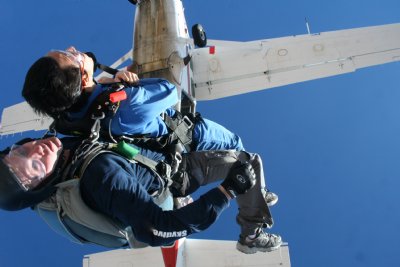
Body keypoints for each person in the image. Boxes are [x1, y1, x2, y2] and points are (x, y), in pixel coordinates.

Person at [0, 136, 282, 254]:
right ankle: (251, 233)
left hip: (167, 166)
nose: (37, 149)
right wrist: (227, 190)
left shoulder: (66, 147)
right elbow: (156, 229)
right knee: (246, 162)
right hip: (174, 182)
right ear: (43, 186)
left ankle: (254, 203)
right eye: (36, 165)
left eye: (22, 151)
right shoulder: (102, 176)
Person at [21, 47, 245, 153]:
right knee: (236, 144)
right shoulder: (128, 102)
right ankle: (256, 198)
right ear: (85, 77)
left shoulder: (70, 117)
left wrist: (106, 85)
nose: (72, 49)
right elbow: (168, 91)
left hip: (162, 148)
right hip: (190, 136)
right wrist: (128, 84)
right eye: (69, 55)